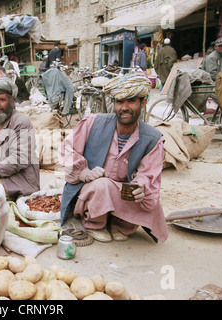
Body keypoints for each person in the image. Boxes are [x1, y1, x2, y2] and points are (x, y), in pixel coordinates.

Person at [58, 73, 168, 243]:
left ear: (143, 103)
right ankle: (94, 223)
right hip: (91, 189)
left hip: (121, 193)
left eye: (131, 101)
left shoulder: (153, 139)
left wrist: (141, 186)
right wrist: (85, 173)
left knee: (146, 198)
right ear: (113, 103)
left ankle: (119, 225)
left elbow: (149, 174)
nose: (125, 107)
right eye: (119, 102)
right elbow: (67, 150)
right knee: (102, 185)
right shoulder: (92, 122)